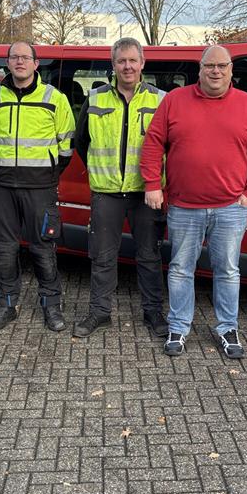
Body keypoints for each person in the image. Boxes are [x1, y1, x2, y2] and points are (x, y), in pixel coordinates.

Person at [140, 45, 247, 358]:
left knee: (227, 270)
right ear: (199, 70)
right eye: (209, 66)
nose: (216, 71)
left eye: (222, 66)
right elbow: (153, 143)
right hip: (184, 206)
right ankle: (178, 326)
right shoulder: (175, 100)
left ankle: (227, 327)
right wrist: (152, 184)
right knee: (180, 269)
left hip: (231, 208)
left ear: (230, 70)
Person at [72, 37, 168, 338]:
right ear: (113, 65)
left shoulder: (161, 100)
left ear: (142, 63)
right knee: (102, 257)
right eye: (121, 61)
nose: (127, 66)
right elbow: (81, 141)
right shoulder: (96, 98)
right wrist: (100, 171)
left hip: (146, 193)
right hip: (106, 192)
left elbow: (170, 145)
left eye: (132, 60)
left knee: (149, 256)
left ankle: (153, 313)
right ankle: (99, 312)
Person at [0, 41, 75, 333]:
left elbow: (66, 145)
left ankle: (51, 305)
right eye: (14, 57)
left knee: (43, 249)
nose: (20, 62)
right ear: (7, 63)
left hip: (40, 187)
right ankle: (6, 304)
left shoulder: (54, 98)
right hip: (3, 187)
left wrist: (48, 173)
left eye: (25, 57)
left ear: (36, 64)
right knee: (4, 250)